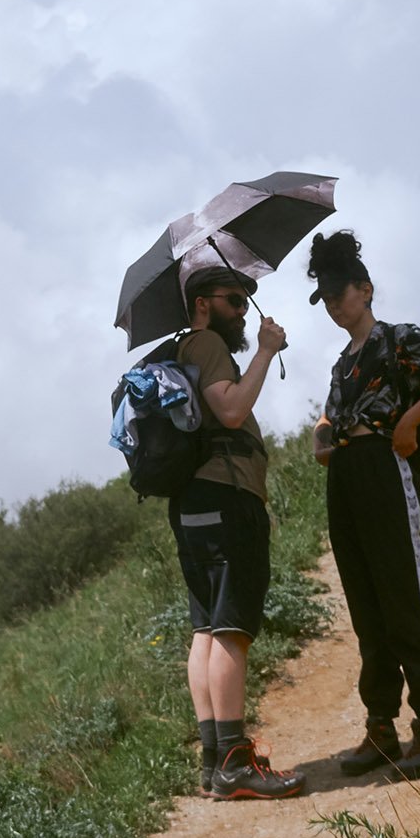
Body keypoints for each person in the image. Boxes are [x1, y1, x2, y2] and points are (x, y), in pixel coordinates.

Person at [307, 231, 420, 779]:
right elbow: (330, 414)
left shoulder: (398, 339)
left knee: (403, 589)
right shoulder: (342, 363)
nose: (334, 305)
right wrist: (321, 432)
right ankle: (379, 725)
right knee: (365, 600)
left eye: (341, 294)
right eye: (327, 298)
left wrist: (411, 419)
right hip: (347, 479)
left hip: (387, 467)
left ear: (366, 289)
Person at [169, 264, 307, 800]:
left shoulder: (186, 348)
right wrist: (267, 351)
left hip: (194, 503)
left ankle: (212, 763)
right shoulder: (205, 345)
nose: (244, 310)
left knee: (206, 628)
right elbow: (229, 410)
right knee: (230, 629)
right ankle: (234, 763)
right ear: (203, 303)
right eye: (234, 299)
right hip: (226, 498)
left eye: (246, 301)